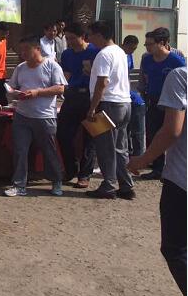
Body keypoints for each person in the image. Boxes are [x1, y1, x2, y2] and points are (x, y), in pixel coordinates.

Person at [128, 67, 186, 296]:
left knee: (175, 249)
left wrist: (142, 160)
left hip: (182, 181)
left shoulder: (180, 76)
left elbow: (172, 130)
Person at [3, 36, 68, 197]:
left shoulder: (51, 66)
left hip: (44, 116)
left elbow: (60, 88)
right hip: (22, 115)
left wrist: (37, 92)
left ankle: (56, 180)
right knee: (20, 150)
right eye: (21, 50)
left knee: (49, 150)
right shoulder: (21, 68)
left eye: (26, 49)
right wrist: (14, 94)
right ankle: (19, 184)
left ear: (37, 49)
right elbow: (11, 87)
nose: (23, 53)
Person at [85, 20, 134, 200]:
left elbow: (102, 82)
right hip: (124, 103)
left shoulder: (103, 54)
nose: (89, 39)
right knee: (120, 148)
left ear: (99, 35)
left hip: (109, 104)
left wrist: (92, 108)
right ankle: (126, 185)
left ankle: (109, 185)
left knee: (105, 148)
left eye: (90, 35)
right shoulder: (119, 51)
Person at [139, 27, 186, 180]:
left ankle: (173, 167)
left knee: (172, 133)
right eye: (146, 44)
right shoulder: (146, 59)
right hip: (153, 101)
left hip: (172, 103)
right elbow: (144, 78)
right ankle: (157, 168)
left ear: (162, 43)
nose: (147, 47)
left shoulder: (176, 60)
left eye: (150, 44)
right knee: (153, 134)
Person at [57, 23, 99, 188]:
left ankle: (85, 174)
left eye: (73, 38)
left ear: (83, 37)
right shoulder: (67, 54)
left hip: (90, 97)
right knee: (63, 133)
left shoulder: (95, 52)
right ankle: (70, 169)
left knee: (90, 138)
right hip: (72, 96)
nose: (70, 42)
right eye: (67, 39)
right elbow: (66, 75)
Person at [121, 35, 146, 158]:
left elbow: (128, 75)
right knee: (125, 130)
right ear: (124, 45)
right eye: (130, 48)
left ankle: (137, 155)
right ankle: (129, 152)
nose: (132, 51)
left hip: (130, 94)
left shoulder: (129, 56)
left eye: (134, 49)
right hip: (122, 95)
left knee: (136, 131)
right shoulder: (119, 55)